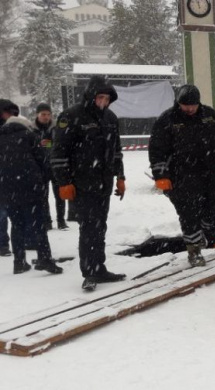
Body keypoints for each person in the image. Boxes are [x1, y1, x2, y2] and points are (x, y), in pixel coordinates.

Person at [148, 85, 215, 267]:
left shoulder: (209, 116)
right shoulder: (167, 119)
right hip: (181, 176)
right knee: (189, 215)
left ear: (198, 103)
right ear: (178, 103)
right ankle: (194, 250)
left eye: (192, 105)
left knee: (213, 211)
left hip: (209, 173)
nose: (189, 109)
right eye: (185, 105)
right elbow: (157, 150)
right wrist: (160, 175)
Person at [51, 76, 127, 290]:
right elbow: (59, 152)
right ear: (91, 96)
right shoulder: (71, 116)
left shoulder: (110, 118)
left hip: (104, 183)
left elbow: (116, 151)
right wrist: (63, 182)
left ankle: (99, 268)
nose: (103, 102)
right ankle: (89, 271)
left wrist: (120, 177)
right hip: (82, 183)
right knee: (89, 228)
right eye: (100, 97)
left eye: (107, 98)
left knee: (100, 227)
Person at [0, 115, 63, 275]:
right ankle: (45, 259)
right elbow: (42, 160)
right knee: (38, 224)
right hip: (30, 187)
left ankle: (19, 262)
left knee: (16, 225)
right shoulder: (29, 136)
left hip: (7, 190)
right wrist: (44, 181)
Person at [33, 103, 68, 231]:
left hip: (55, 166)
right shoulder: (31, 129)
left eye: (48, 114)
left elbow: (62, 144)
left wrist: (51, 144)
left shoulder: (57, 127)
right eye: (43, 114)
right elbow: (28, 147)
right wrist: (38, 144)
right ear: (37, 115)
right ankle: (47, 221)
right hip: (40, 167)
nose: (46, 117)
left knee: (60, 195)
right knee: (43, 197)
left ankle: (61, 220)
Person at [0, 99, 19, 257]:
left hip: (13, 176)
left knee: (14, 213)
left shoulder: (16, 129)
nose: (10, 116)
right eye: (8, 112)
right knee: (2, 214)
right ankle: (3, 244)